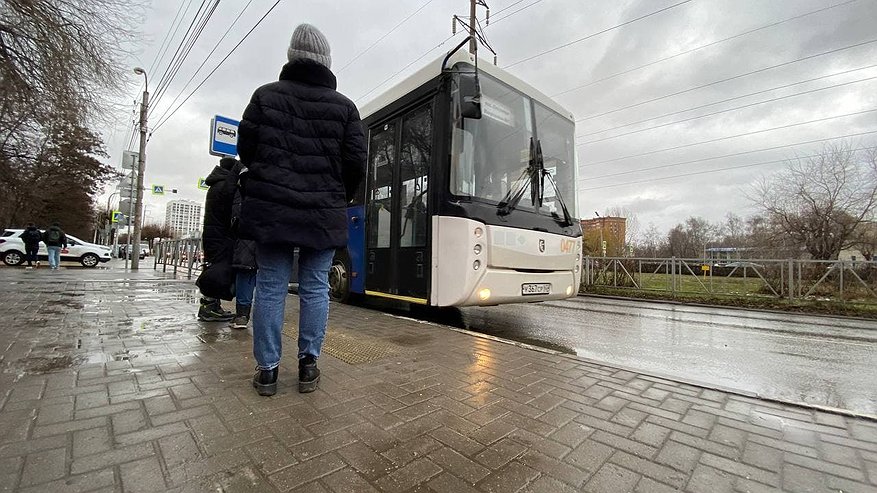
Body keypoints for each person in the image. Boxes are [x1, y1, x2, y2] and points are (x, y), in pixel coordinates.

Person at [238, 23, 366, 396]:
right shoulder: (344, 108)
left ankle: (267, 372)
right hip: (322, 208)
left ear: (292, 57)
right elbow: (355, 161)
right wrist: (337, 194)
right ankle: (308, 367)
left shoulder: (265, 96)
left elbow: (247, 149)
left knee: (271, 288)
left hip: (272, 208)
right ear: (326, 61)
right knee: (315, 288)